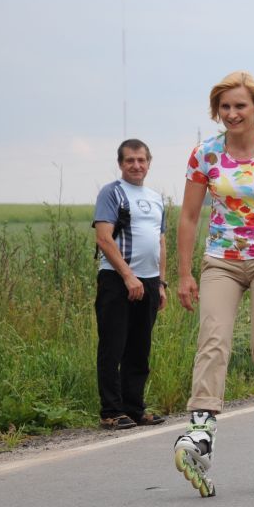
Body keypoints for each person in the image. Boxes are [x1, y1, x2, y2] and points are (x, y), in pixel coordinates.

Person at [174, 71, 254, 497]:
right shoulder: (204, 155)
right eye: (224, 107)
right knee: (214, 339)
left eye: (239, 106)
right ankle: (201, 430)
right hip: (221, 261)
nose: (231, 114)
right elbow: (189, 216)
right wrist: (185, 273)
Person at [92, 139, 167, 430]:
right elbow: (103, 238)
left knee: (139, 347)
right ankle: (111, 411)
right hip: (117, 279)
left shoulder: (156, 197)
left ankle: (134, 408)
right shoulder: (112, 193)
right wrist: (127, 276)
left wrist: (160, 283)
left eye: (141, 160)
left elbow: (160, 241)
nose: (136, 165)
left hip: (148, 282)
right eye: (129, 161)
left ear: (149, 162)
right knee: (113, 346)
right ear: (120, 163)